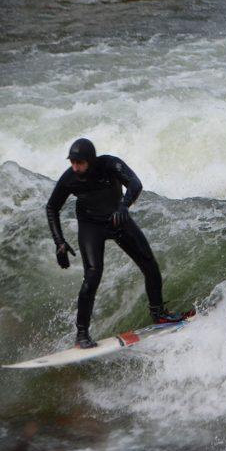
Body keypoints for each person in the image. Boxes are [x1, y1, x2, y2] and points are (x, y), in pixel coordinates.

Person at [46, 138, 192, 349]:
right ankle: (82, 335)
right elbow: (52, 207)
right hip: (91, 226)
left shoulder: (110, 165)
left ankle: (159, 314)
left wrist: (124, 206)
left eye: (80, 163)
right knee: (92, 275)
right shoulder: (70, 178)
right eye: (72, 162)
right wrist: (59, 242)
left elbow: (135, 183)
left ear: (91, 160)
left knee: (149, 265)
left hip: (117, 220)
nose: (75, 167)